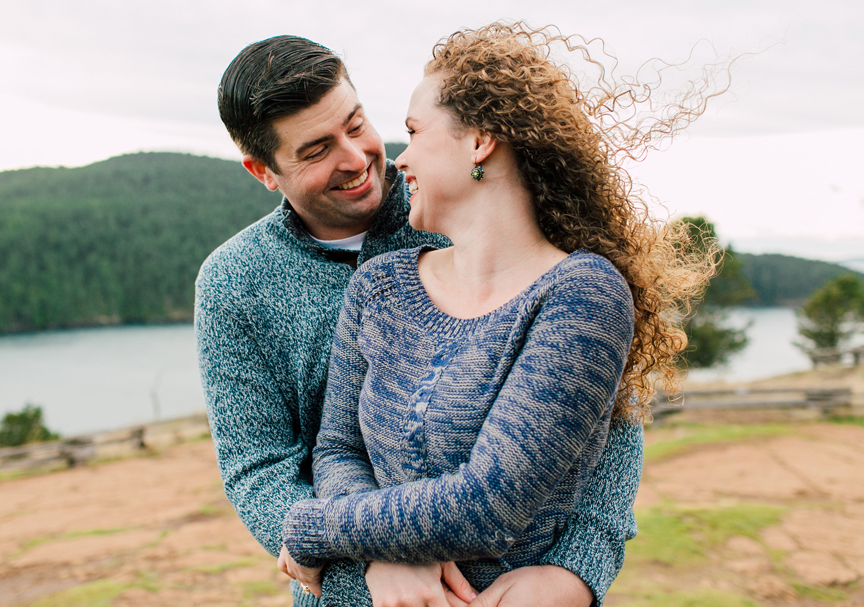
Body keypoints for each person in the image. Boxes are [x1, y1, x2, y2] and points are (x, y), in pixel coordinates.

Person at [197, 33, 647, 607]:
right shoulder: (232, 282)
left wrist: (579, 569)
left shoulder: (463, 205)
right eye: (316, 151)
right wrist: (374, 562)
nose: (358, 159)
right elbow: (258, 468)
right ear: (263, 170)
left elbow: (606, 414)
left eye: (356, 124)